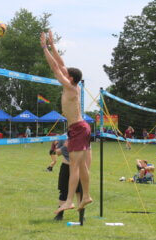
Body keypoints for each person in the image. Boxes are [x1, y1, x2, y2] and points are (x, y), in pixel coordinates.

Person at [41, 30, 92, 213]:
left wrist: (44, 47)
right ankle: (86, 196)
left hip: (78, 128)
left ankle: (70, 200)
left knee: (74, 167)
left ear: (70, 78)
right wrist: (53, 44)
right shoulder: (74, 85)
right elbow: (61, 64)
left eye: (66, 73)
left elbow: (55, 67)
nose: (64, 71)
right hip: (79, 128)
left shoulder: (70, 87)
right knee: (82, 166)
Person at [53, 139, 84, 221]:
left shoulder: (81, 135)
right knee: (63, 191)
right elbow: (57, 152)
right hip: (66, 167)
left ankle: (81, 215)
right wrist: (65, 146)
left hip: (78, 167)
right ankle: (59, 215)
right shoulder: (63, 137)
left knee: (79, 191)